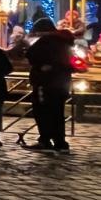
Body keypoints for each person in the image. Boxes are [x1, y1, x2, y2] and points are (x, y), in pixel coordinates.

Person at [26, 17, 73, 151]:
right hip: (61, 83)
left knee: (43, 112)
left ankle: (45, 139)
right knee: (57, 113)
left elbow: (31, 55)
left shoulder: (47, 41)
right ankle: (60, 141)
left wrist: (42, 68)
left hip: (45, 83)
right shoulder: (64, 42)